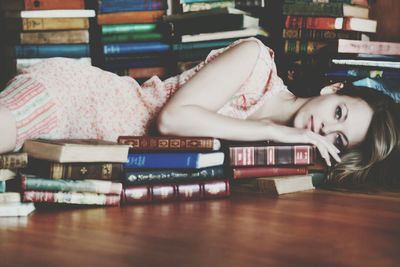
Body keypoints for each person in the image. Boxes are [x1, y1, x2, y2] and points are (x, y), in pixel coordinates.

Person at [0, 38, 398, 187]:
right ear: (334, 89)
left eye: (338, 140)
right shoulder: (256, 61)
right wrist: (279, 132)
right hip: (76, 97)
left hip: (86, 155)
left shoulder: (271, 158)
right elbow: (171, 121)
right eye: (340, 113)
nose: (325, 129)